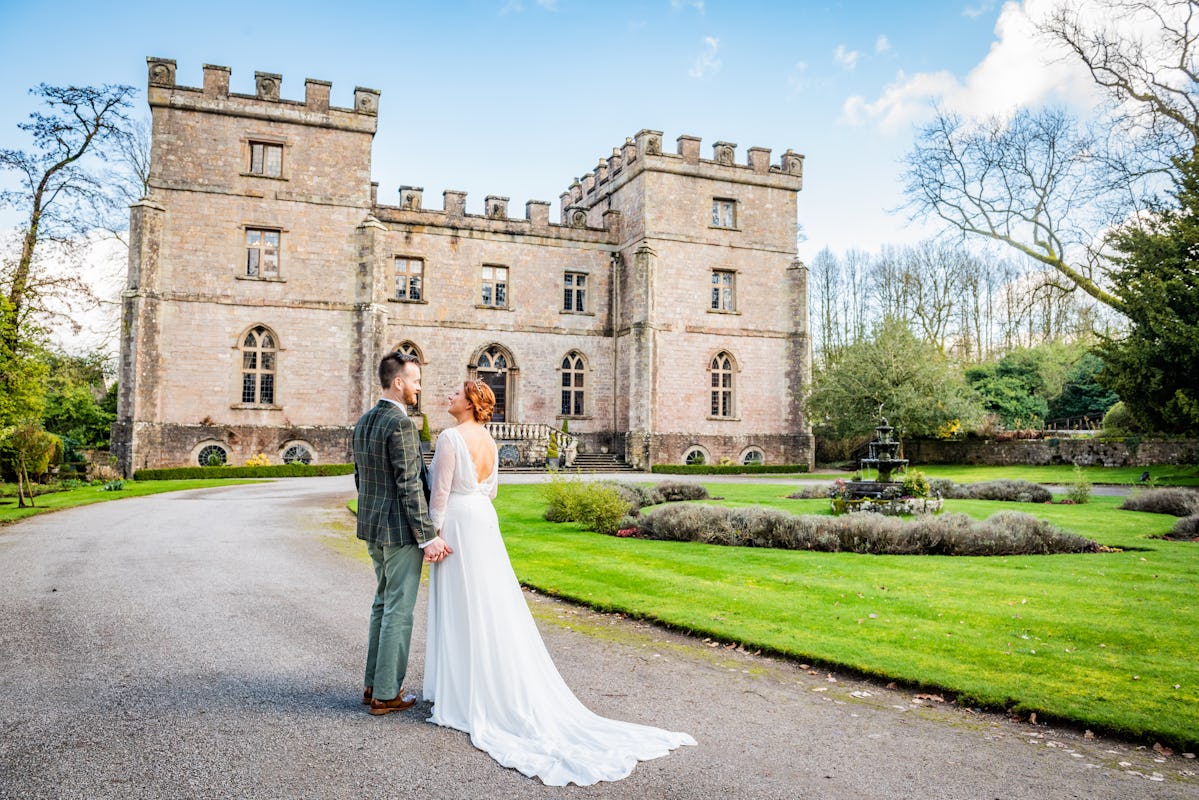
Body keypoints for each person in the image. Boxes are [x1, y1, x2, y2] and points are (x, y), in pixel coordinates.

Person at [422, 380, 695, 786]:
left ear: (471, 403)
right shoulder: (490, 442)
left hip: (459, 524)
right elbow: (491, 490)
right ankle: (483, 681)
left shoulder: (449, 437)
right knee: (490, 603)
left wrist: (434, 535)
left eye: (456, 395)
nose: (449, 398)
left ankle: (464, 691)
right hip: (483, 521)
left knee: (463, 604)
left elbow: (439, 494)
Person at [353, 351, 452, 716]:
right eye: (415, 380)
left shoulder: (364, 421)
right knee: (398, 610)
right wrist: (427, 536)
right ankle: (385, 693)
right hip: (399, 532)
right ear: (398, 383)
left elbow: (361, 479)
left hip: (373, 528)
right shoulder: (401, 425)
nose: (418, 387)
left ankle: (372, 685)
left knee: (382, 605)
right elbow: (409, 485)